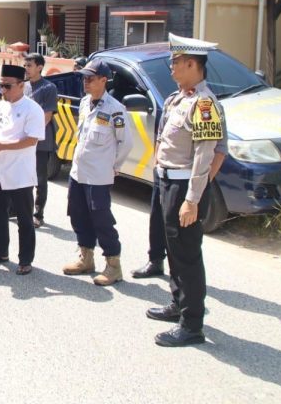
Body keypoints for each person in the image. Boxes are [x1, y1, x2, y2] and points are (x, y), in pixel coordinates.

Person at [146, 34, 224, 347]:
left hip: (184, 187)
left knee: (188, 255)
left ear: (192, 64)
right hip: (168, 182)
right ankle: (179, 303)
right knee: (175, 251)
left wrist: (193, 198)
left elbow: (209, 153)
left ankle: (192, 325)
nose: (171, 67)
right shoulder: (178, 98)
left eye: (176, 62)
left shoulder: (204, 104)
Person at [131, 104, 228, 279]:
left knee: (181, 235)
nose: (173, 75)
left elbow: (219, 150)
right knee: (157, 219)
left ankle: (184, 284)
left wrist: (204, 182)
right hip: (163, 175)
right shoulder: (172, 101)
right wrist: (157, 166)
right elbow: (161, 137)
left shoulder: (207, 106)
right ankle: (155, 260)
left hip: (184, 180)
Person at [62, 59, 133, 286]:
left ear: (104, 80)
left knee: (101, 219)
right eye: (84, 78)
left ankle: (113, 265)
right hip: (79, 172)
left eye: (90, 78)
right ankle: (86, 257)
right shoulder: (84, 103)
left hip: (99, 175)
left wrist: (114, 166)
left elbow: (126, 143)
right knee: (77, 214)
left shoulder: (115, 109)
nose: (86, 82)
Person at [0, 64, 44, 276]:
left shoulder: (33, 109)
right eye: (0, 86)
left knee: (24, 220)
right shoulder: (0, 107)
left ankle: (25, 259)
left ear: (21, 85)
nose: (2, 91)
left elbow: (32, 139)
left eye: (7, 86)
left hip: (20, 174)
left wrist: (1, 146)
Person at [23, 53, 58, 228]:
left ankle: (38, 213)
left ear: (39, 67)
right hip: (24, 140)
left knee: (40, 178)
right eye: (25, 65)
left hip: (41, 141)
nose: (26, 68)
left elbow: (47, 116)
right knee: (23, 176)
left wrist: (32, 137)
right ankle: (19, 208)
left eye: (29, 65)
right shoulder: (24, 86)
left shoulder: (48, 88)